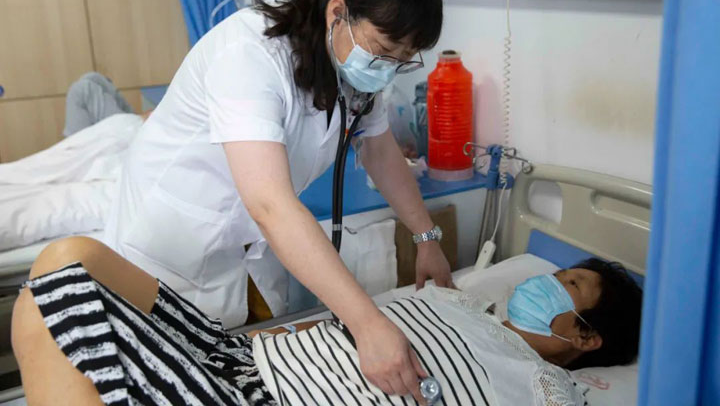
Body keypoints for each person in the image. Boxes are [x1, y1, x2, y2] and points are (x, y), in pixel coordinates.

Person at [101, 0, 447, 398]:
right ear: (338, 11)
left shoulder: (351, 63)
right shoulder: (250, 53)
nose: (387, 69)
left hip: (240, 254)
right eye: (385, 51)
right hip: (167, 251)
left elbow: (380, 151)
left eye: (402, 61)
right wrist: (366, 323)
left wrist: (425, 237)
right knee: (162, 385)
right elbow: (270, 204)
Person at [11, 237, 643, 405]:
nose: (543, 282)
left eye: (568, 285)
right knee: (71, 257)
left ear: (586, 337)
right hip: (241, 361)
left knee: (45, 312)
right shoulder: (452, 299)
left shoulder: (547, 389)